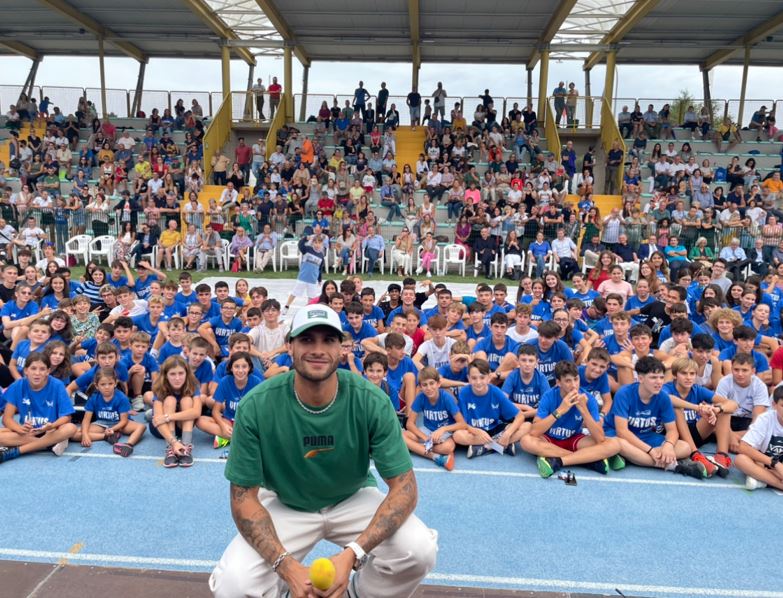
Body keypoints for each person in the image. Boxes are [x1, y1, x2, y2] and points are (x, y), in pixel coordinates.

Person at [209, 304, 437, 598]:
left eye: (328, 340)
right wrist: (286, 566)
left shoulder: (371, 400)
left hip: (352, 496)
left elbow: (405, 488)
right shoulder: (257, 405)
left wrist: (353, 553)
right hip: (284, 501)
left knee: (419, 550)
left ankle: (359, 593)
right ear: (290, 346)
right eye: (307, 339)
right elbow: (243, 499)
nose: (318, 350)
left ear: (341, 348)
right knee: (233, 585)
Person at [604, 356, 708, 479]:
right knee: (619, 444)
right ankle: (674, 466)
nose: (659, 382)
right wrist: (650, 451)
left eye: (661, 377)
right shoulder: (624, 393)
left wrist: (668, 445)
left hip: (645, 436)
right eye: (653, 377)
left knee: (685, 447)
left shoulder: (663, 397)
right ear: (640, 378)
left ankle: (632, 457)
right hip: (617, 434)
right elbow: (622, 432)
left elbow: (672, 430)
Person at [521, 361, 622, 477]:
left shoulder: (588, 399)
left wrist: (583, 410)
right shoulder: (549, 396)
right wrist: (560, 410)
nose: (574, 385)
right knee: (526, 441)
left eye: (576, 379)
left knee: (614, 444)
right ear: (558, 382)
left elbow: (600, 438)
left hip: (574, 440)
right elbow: (534, 431)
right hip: (549, 439)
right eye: (568, 381)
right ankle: (587, 460)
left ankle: (559, 460)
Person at [0, 353, 77, 464]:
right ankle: (50, 444)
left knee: (71, 428)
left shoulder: (57, 385)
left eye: (42, 369)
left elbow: (66, 417)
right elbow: (6, 419)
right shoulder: (17, 385)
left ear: (48, 371)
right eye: (33, 368)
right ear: (26, 371)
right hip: (29, 432)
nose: (37, 373)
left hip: (51, 430)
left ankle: (17, 451)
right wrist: (20, 429)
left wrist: (52, 425)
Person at [73, 367, 145, 457]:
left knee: (141, 427)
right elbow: (86, 420)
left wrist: (113, 429)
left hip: (120, 424)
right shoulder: (94, 398)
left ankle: (128, 445)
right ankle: (106, 437)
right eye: (103, 384)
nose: (107, 387)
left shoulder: (121, 398)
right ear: (96, 385)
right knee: (74, 434)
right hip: (102, 424)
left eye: (110, 383)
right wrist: (85, 435)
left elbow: (124, 421)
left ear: (115, 383)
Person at [403, 366, 465, 470]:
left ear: (438, 383)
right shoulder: (420, 397)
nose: (428, 388)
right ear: (420, 387)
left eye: (432, 383)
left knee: (448, 447)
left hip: (444, 433)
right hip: (427, 431)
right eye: (425, 385)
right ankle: (435, 457)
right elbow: (409, 423)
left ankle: (415, 448)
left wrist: (443, 429)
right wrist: (425, 438)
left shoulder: (446, 398)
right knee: (401, 436)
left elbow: (462, 424)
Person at [149, 355, 201, 468]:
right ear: (166, 375)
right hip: (161, 429)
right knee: (170, 400)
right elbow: (158, 420)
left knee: (187, 400)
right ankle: (170, 449)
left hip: (181, 425)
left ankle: (185, 446)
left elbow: (197, 412)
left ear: (187, 373)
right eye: (172, 374)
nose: (177, 378)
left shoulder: (193, 384)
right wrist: (174, 443)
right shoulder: (159, 386)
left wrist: (168, 417)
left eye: (181, 373)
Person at [735, 386, 783, 491]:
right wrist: (775, 463)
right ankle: (779, 484)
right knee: (740, 460)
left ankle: (762, 479)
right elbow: (743, 447)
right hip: (764, 463)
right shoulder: (765, 419)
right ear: (774, 405)